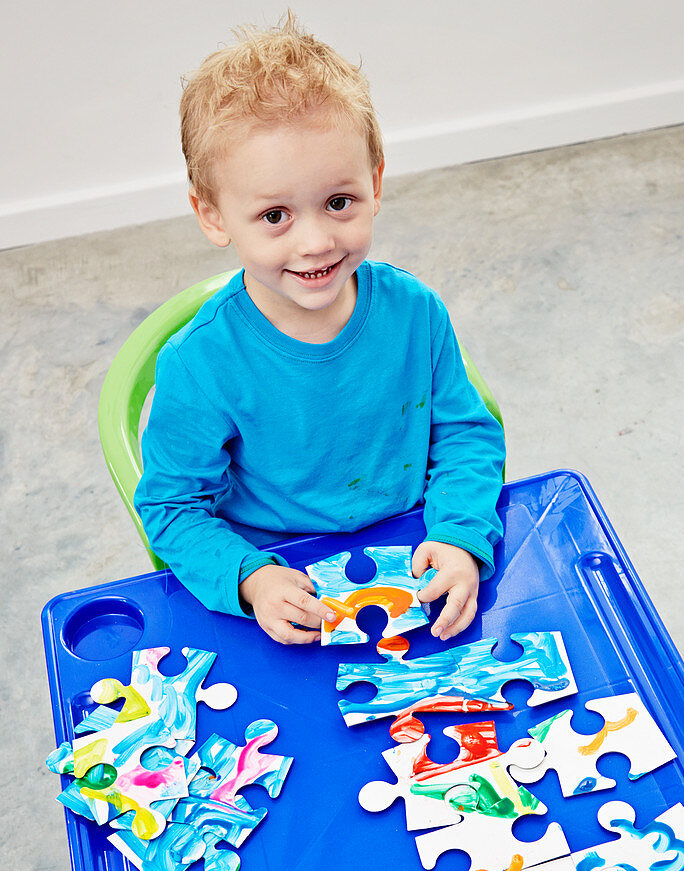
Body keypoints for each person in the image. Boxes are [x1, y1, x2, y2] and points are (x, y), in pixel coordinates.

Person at [135, 14, 505, 646]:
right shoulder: (199, 366)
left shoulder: (415, 312)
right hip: (285, 579)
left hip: (417, 547)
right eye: (275, 215)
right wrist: (249, 579)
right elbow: (171, 510)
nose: (316, 242)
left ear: (376, 181)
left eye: (338, 202)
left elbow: (465, 435)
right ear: (213, 215)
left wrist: (460, 533)